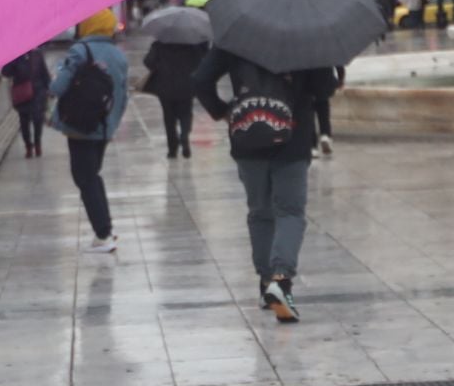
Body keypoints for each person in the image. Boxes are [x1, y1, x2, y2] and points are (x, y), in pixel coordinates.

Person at [193, 47, 340, 323]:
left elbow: (201, 80)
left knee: (260, 212)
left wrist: (222, 110)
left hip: (247, 135)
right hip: (293, 140)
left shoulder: (235, 38)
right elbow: (324, 91)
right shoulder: (306, 40)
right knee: (290, 212)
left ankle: (265, 285)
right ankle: (281, 281)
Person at [50, 9, 130, 253]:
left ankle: (103, 234)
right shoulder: (119, 55)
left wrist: (59, 68)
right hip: (104, 126)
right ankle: (105, 230)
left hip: (80, 126)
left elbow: (57, 87)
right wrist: (112, 123)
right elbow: (123, 95)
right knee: (92, 175)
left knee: (85, 178)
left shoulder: (79, 51)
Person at [141, 34, 206, 159]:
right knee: (186, 113)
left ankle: (172, 149)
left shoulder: (159, 44)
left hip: (165, 86)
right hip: (187, 84)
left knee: (168, 117)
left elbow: (148, 62)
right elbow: (202, 61)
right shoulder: (193, 45)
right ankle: (184, 137)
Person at [2, 47, 50, 159]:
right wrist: (13, 60)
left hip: (38, 92)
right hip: (22, 93)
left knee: (38, 119)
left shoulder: (37, 54)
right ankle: (28, 145)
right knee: (24, 121)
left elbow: (44, 73)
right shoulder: (15, 55)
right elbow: (5, 72)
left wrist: (49, 88)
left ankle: (37, 143)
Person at [312, 66, 346, 158]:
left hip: (308, 84)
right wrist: (341, 80)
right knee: (323, 111)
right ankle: (325, 135)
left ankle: (312, 147)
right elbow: (339, 64)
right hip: (325, 81)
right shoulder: (325, 52)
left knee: (309, 117)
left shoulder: (302, 52)